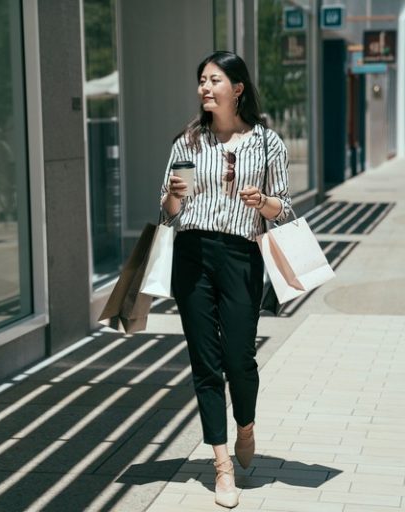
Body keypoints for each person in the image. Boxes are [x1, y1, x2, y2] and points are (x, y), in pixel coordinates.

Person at [160, 51, 293, 509]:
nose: (204, 87)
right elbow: (169, 212)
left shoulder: (267, 144)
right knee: (205, 363)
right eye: (201, 79)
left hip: (240, 256)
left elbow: (285, 210)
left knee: (239, 359)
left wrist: (263, 203)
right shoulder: (187, 143)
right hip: (192, 255)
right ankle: (221, 465)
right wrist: (173, 197)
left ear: (237, 88)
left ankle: (246, 427)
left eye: (214, 79)